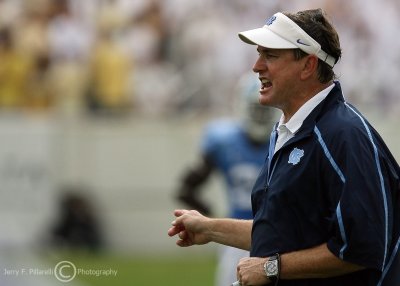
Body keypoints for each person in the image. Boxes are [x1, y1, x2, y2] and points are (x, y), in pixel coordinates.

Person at [168, 8, 400, 286]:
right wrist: (210, 228)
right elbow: (284, 233)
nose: (257, 67)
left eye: (271, 55)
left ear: (308, 66)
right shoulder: (291, 130)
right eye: (259, 54)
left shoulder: (344, 135)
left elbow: (361, 247)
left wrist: (270, 268)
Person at [175, 74, 278, 286]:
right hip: (236, 237)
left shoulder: (281, 141)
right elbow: (186, 189)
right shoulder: (224, 141)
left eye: (263, 110)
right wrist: (212, 219)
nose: (259, 116)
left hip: (274, 236)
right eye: (255, 110)